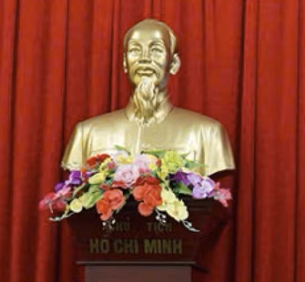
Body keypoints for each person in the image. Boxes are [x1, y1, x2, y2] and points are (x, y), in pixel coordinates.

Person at [61, 18, 235, 176]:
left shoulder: (207, 134)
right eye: (135, 50)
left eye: (156, 50)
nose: (144, 59)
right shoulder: (87, 134)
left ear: (174, 64)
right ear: (125, 63)